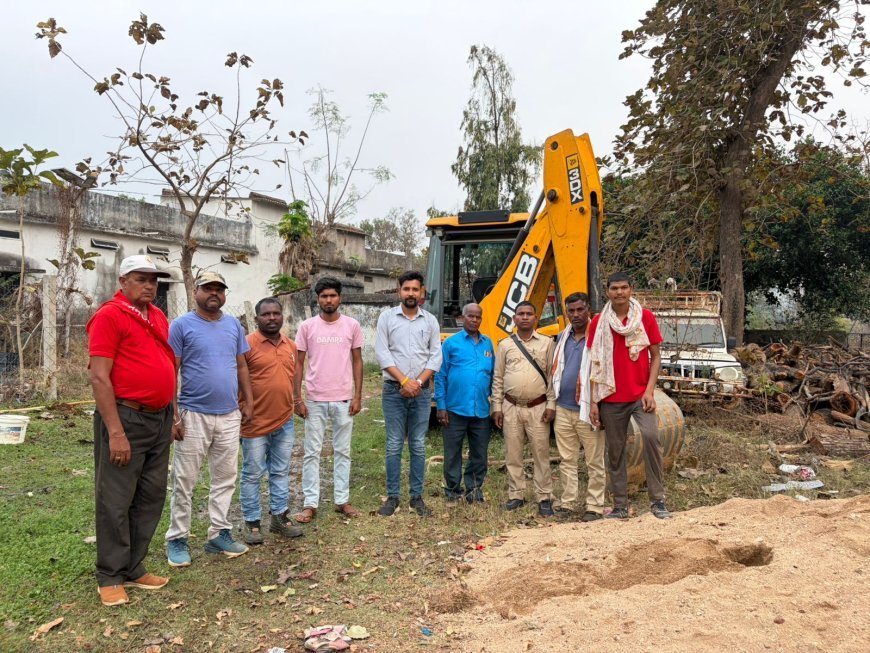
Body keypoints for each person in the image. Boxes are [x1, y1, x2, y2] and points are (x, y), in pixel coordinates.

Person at [86, 255, 176, 606]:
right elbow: (99, 376)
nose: (149, 286)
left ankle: (133, 566)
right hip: (126, 418)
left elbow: (166, 365)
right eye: (141, 279)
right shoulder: (110, 315)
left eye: (154, 280)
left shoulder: (157, 316)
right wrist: (116, 432)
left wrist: (172, 414)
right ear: (123, 281)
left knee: (150, 495)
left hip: (159, 418)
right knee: (116, 499)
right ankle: (110, 575)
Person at [165, 271, 254, 566]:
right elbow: (171, 371)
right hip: (193, 414)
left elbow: (241, 365)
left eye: (219, 288)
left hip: (229, 415)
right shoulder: (181, 325)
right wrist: (174, 415)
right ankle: (177, 537)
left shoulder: (233, 325)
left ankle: (219, 533)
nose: (214, 293)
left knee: (225, 478)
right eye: (208, 288)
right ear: (195, 292)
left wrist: (248, 400)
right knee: (184, 480)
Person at [587, 271, 671, 520]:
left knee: (651, 439)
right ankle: (620, 505)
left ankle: (658, 501)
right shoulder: (598, 322)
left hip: (640, 396)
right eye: (614, 288)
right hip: (610, 397)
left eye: (624, 287)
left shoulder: (645, 317)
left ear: (631, 289)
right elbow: (592, 363)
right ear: (608, 291)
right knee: (615, 451)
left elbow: (656, 356)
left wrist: (650, 391)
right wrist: (593, 402)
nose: (619, 292)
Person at [293, 277, 364, 523]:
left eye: (333, 295)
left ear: (340, 298)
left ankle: (342, 500)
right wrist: (297, 398)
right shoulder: (307, 327)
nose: (328, 300)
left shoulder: (352, 325)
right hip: (315, 398)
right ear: (318, 299)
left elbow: (357, 361)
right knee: (311, 452)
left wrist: (357, 395)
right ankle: (310, 503)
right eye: (324, 296)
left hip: (343, 399)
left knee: (343, 451)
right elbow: (298, 363)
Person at [374, 270, 442, 517]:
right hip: (394, 391)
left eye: (415, 289)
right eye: (406, 289)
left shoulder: (430, 321)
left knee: (418, 445)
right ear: (399, 291)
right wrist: (404, 381)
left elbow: (435, 356)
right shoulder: (386, 318)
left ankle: (416, 497)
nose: (410, 293)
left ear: (422, 291)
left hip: (421, 393)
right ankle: (393, 497)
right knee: (394, 444)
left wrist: (418, 383)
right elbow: (382, 353)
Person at [238, 297, 304, 545]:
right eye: (266, 314)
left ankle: (279, 517)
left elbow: (293, 378)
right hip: (254, 423)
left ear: (282, 316)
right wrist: (243, 407)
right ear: (256, 318)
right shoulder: (246, 344)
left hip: (284, 421)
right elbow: (236, 379)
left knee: (280, 471)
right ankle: (252, 522)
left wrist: (297, 401)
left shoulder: (291, 345)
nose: (272, 318)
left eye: (276, 313)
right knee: (252, 473)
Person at [492, 301, 557, 517]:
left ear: (535, 318)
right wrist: (497, 406)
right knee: (513, 453)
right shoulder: (505, 345)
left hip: (538, 407)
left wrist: (551, 404)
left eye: (529, 313)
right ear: (515, 318)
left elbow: (552, 376)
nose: (525, 317)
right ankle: (516, 495)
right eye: (521, 313)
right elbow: (498, 377)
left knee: (541, 453)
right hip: (511, 406)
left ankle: (544, 496)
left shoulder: (547, 343)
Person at [550, 292, 605, 522]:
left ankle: (595, 506)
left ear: (589, 310)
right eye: (571, 310)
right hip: (563, 408)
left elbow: (604, 372)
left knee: (594, 461)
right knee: (567, 460)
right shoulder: (563, 336)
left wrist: (597, 404)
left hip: (589, 409)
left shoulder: (599, 336)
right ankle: (568, 503)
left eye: (580, 309)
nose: (575, 314)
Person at [435, 303, 494, 504]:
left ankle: (474, 489)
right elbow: (441, 376)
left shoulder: (488, 344)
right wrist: (441, 405)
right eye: (470, 316)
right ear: (462, 317)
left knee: (480, 453)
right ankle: (453, 490)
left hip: (481, 410)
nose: (474, 320)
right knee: (452, 453)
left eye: (478, 317)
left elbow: (492, 375)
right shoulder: (450, 343)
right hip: (455, 409)